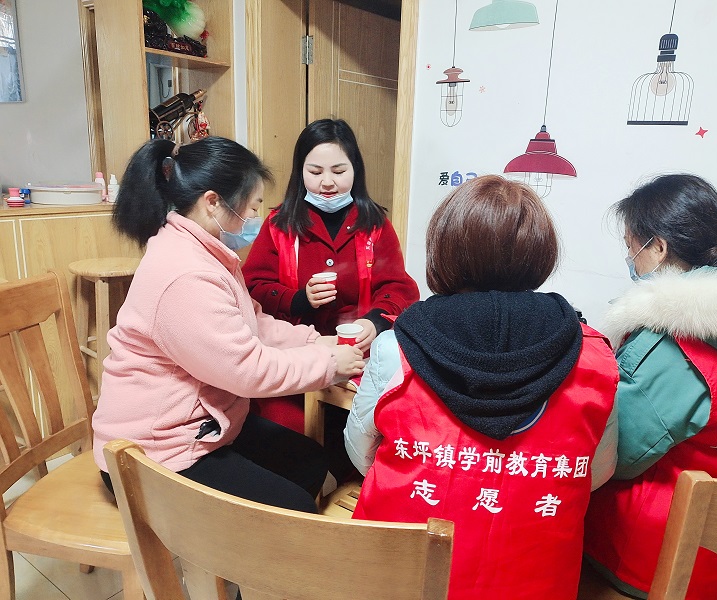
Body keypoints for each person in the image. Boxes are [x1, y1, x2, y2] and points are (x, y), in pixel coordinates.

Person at [344, 175, 620, 600]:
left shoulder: (396, 346)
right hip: (535, 581)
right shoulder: (595, 355)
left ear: (444, 249)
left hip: (401, 576)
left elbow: (360, 452)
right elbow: (597, 472)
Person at [91, 136, 365, 514]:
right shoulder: (186, 274)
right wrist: (330, 364)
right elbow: (246, 369)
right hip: (154, 453)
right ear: (213, 202)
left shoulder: (206, 252)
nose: (254, 219)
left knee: (310, 462)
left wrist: (317, 341)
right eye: (252, 208)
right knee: (296, 507)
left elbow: (253, 323)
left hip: (204, 428)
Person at [582, 174, 717, 600]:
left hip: (664, 563)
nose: (630, 260)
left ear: (659, 248)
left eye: (632, 247)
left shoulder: (672, 346)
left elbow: (616, 459)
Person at [242, 118, 419, 435]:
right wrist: (299, 299)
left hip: (359, 362)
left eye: (339, 171)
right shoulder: (279, 224)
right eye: (315, 172)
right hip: (295, 359)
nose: (327, 182)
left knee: (370, 430)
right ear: (300, 172)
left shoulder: (374, 224)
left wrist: (374, 322)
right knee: (289, 431)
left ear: (355, 170)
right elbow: (252, 287)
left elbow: (397, 287)